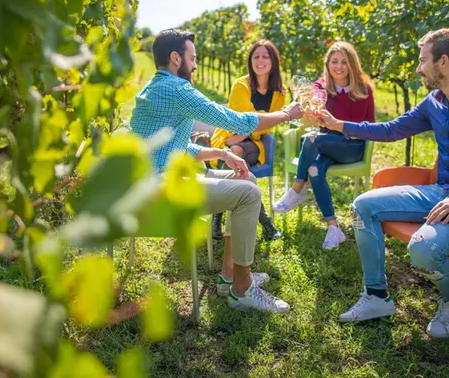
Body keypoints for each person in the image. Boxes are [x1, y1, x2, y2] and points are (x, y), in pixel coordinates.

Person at [316, 28, 449, 339]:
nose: (418, 67)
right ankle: (376, 296)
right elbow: (391, 129)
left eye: (423, 60)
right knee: (362, 206)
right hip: (441, 191)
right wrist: (337, 124)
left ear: (443, 62)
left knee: (423, 249)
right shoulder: (434, 101)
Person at [130, 29, 304, 313]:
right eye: (192, 58)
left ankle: (229, 276)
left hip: (157, 180)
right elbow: (234, 121)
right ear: (176, 58)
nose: (195, 65)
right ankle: (242, 289)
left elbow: (174, 146)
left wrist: (222, 153)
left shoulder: (156, 88)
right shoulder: (176, 89)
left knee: (246, 177)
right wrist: (286, 114)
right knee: (248, 194)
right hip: (161, 189)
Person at [273, 41, 375, 250]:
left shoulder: (363, 89)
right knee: (314, 169)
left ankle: (297, 189)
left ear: (352, 64)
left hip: (351, 147)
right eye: (334, 61)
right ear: (328, 64)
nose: (338, 66)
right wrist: (312, 104)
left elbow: (368, 125)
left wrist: (341, 128)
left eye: (344, 62)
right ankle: (333, 227)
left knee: (312, 138)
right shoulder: (322, 87)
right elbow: (314, 94)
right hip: (327, 144)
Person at [209, 39, 287, 242]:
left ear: (273, 61)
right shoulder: (241, 85)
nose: (260, 61)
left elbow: (268, 124)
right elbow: (244, 119)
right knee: (235, 153)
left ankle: (216, 216)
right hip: (228, 137)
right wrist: (260, 121)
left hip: (254, 143)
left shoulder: (280, 92)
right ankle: (267, 223)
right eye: (256, 56)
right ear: (250, 61)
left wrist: (246, 132)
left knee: (235, 151)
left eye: (265, 56)